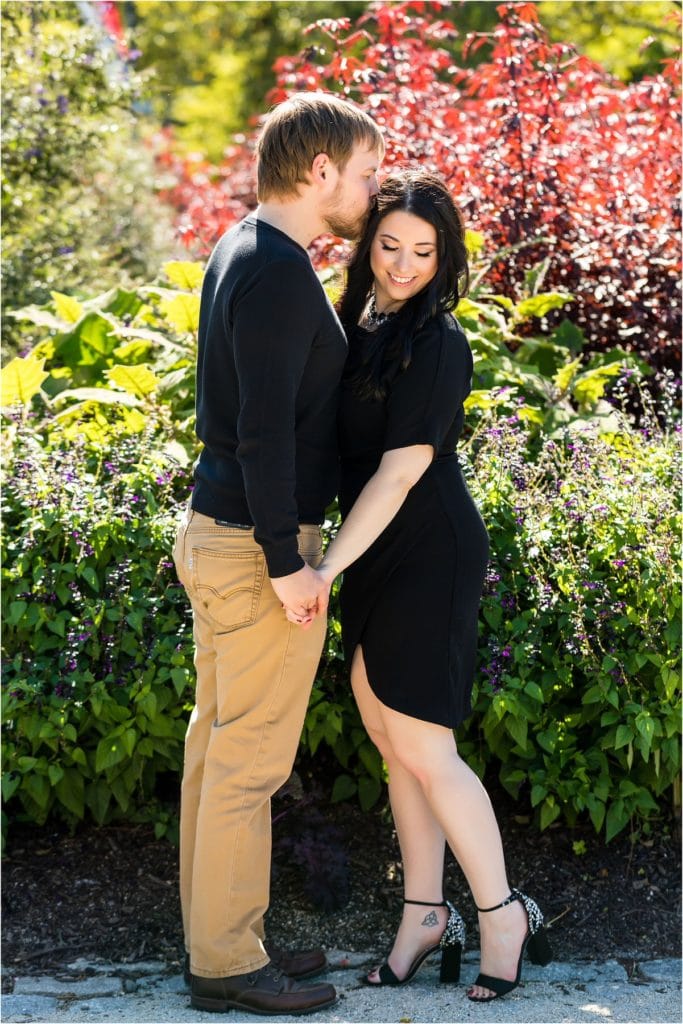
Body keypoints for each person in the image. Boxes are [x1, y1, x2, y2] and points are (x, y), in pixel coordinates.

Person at [308, 169, 553, 1002]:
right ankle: (422, 913)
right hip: (371, 546)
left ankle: (499, 912)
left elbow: (402, 469)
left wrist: (324, 567)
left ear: (443, 256)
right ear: (365, 244)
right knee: (387, 734)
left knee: (425, 745)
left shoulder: (438, 340)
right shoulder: (355, 320)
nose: (405, 265)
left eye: (423, 251)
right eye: (389, 246)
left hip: (424, 545)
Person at [172, 92, 383, 1016]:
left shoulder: (249, 251)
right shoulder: (273, 271)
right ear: (319, 170)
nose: (374, 194)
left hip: (222, 539)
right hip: (256, 549)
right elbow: (260, 433)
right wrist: (287, 561)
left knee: (219, 751)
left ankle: (226, 940)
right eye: (368, 175)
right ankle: (223, 965)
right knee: (248, 760)